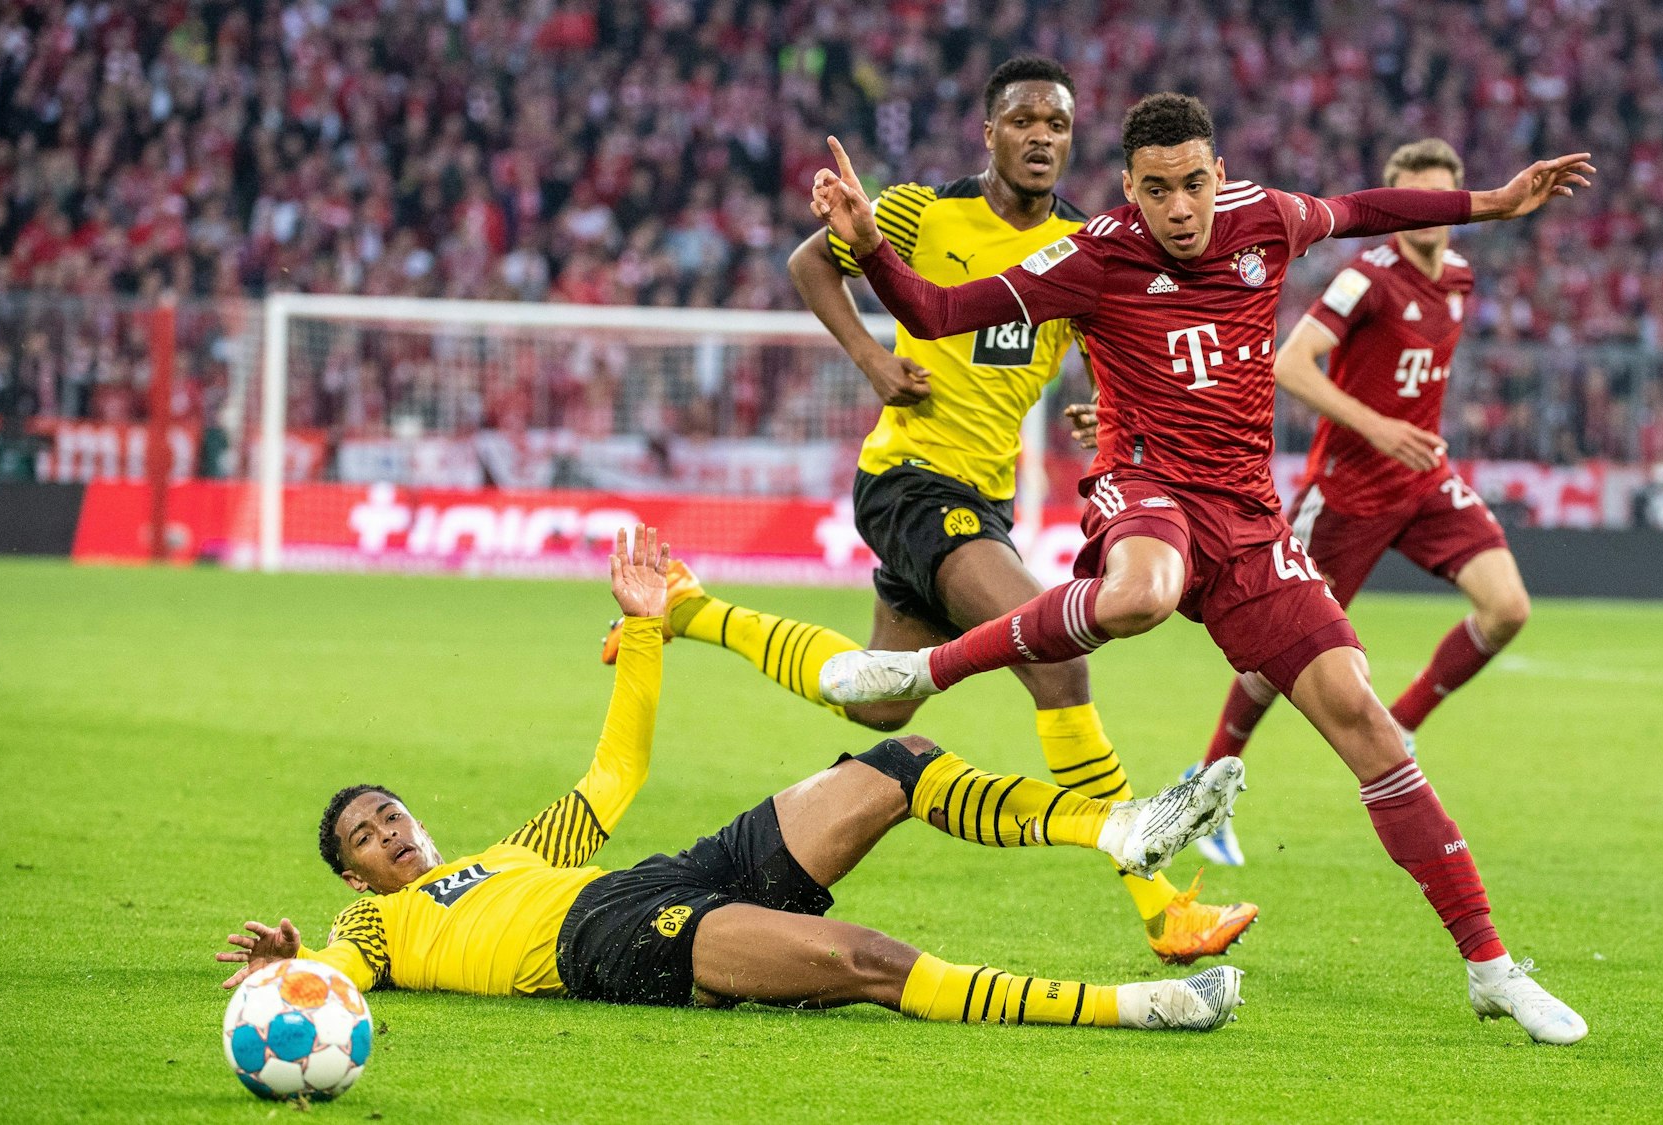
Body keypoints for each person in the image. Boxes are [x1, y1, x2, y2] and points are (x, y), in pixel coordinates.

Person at [809, 93, 1594, 1044]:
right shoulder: (1096, 254)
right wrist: (874, 251)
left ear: (1218, 175)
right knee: (1142, 591)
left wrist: (1495, 204)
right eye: (1155, 191)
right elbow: (936, 310)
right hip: (1143, 487)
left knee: (1368, 724)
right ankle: (927, 666)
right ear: (1128, 191)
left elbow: (1367, 208)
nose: (1178, 210)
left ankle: (1492, 968)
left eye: (1192, 186)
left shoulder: (1269, 219)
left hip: (1251, 518)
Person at [601, 57, 1255, 964]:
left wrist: (1108, 404)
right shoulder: (921, 212)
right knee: (1058, 659)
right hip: (911, 480)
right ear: (990, 132)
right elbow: (809, 263)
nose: (1040, 136)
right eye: (1023, 120)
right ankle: (1160, 906)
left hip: (982, 498)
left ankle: (689, 611)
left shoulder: (1093, 244)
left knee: (881, 704)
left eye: (1057, 124)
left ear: (1074, 141)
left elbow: (1111, 338)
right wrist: (873, 362)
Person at [218, 526, 1247, 1032]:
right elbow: (332, 982)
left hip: (659, 877)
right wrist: (288, 961)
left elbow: (615, 773)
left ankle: (1113, 832)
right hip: (605, 944)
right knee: (867, 962)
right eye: (365, 835)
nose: (389, 832)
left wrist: (644, 624)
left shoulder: (513, 851)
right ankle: (1138, 1005)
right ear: (355, 878)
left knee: (898, 761)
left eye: (390, 813)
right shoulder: (371, 930)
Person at [1130, 139, 1539, 867]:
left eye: (1440, 194)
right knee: (1276, 651)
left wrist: (1408, 432)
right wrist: (1380, 426)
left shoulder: (1462, 277)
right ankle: (1206, 776)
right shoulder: (1365, 278)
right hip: (1348, 491)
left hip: (1422, 481)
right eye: (1413, 195)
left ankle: (1402, 724)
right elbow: (1291, 363)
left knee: (1507, 607)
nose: (1427, 211)